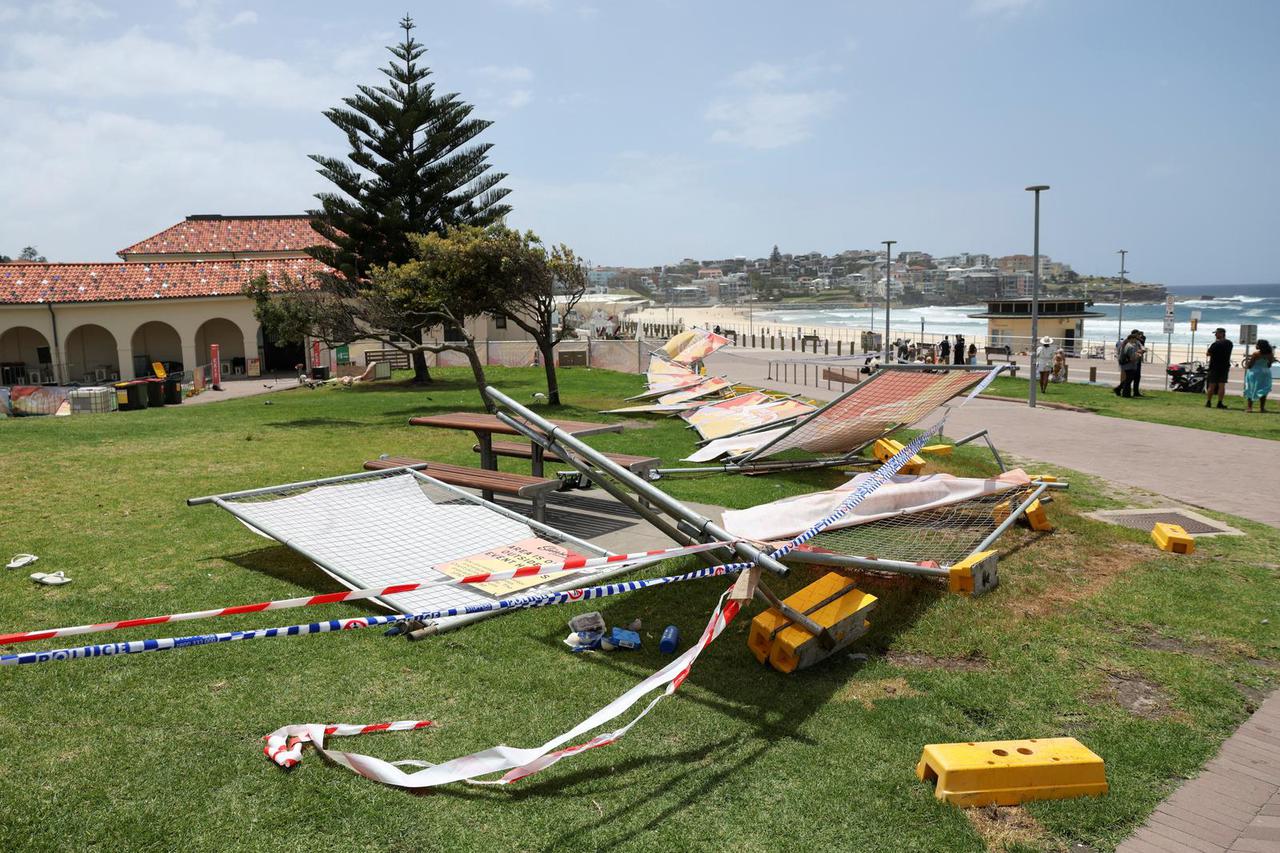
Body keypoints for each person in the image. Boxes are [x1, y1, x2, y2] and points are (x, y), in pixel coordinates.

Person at [1205, 327, 1234, 409]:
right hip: (1224, 366)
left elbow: (1208, 353)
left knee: (1212, 385)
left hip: (1214, 366)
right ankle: (1219, 402)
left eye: (1216, 333)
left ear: (1221, 333)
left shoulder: (1215, 344)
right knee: (1222, 385)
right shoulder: (1229, 343)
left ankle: (1208, 402)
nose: (1215, 335)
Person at [1243, 339, 1275, 413]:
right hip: (1265, 373)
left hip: (1255, 373)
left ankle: (1249, 408)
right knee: (1263, 390)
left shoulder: (1256, 354)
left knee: (1251, 389)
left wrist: (1248, 365)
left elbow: (1250, 365)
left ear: (1260, 346)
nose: (1256, 345)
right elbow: (1269, 365)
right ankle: (1262, 408)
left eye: (1257, 344)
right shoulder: (1270, 354)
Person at [1114, 330, 1141, 398]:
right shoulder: (1130, 346)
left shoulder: (1127, 344)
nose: (1136, 340)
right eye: (1135, 339)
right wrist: (1138, 355)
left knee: (1128, 379)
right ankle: (1125, 393)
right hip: (1129, 365)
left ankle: (1122, 391)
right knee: (1128, 380)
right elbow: (1132, 358)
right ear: (1132, 339)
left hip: (1126, 364)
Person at [1131, 332, 1148, 397]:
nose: (1140, 336)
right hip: (1134, 361)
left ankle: (1136, 391)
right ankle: (1121, 389)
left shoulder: (1138, 341)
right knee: (1131, 377)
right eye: (1138, 335)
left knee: (1136, 377)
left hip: (1137, 360)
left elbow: (1142, 346)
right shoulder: (1133, 342)